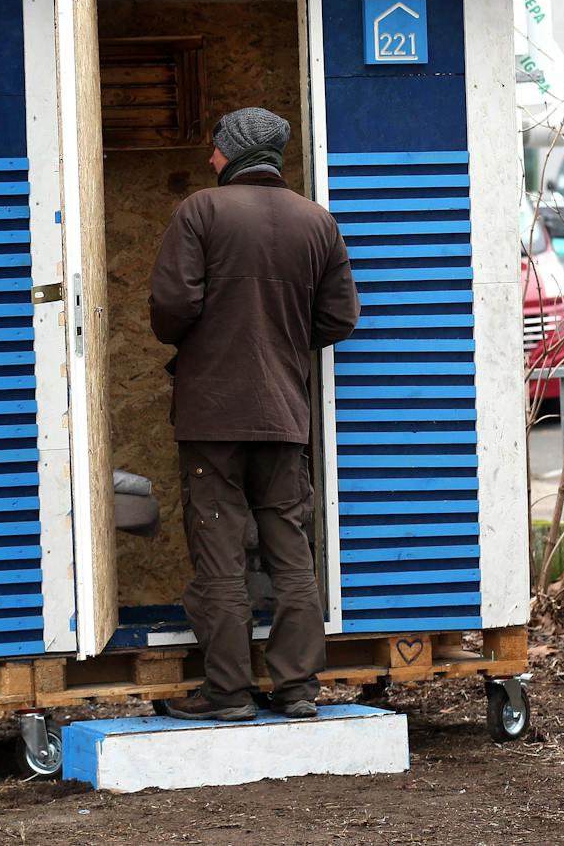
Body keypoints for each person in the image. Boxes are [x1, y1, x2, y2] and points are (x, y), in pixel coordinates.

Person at [148, 106, 359, 721]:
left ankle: (229, 694)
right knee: (290, 549)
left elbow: (171, 307)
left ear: (232, 152)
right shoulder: (317, 221)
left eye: (215, 148)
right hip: (285, 413)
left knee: (220, 552)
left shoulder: (201, 211)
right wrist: (285, 340)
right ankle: (297, 691)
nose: (209, 157)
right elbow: (340, 318)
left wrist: (204, 337)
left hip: (212, 415)